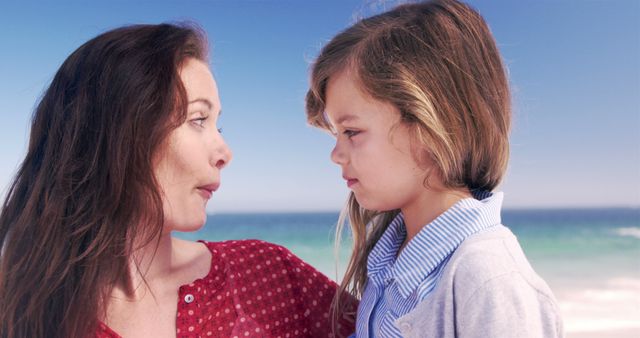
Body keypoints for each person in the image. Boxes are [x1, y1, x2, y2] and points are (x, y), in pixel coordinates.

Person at [0, 23, 355, 338]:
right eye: (198, 119)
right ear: (121, 133)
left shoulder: (269, 274)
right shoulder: (19, 308)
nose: (224, 152)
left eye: (218, 124)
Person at [305, 0, 563, 337]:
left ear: (427, 128)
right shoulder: (388, 259)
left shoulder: (491, 282)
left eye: (352, 132)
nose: (336, 155)